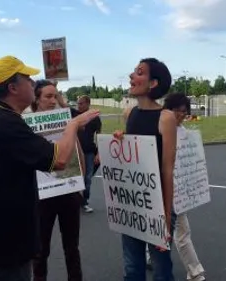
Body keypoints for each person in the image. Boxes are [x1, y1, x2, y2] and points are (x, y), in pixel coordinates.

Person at [0, 55, 99, 281]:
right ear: (12, 87)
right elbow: (59, 160)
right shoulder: (7, 124)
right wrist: (73, 124)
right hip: (5, 241)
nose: (32, 82)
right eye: (27, 78)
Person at [114, 58, 177, 281]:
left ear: (153, 83)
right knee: (132, 269)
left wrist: (167, 217)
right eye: (133, 71)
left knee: (161, 269)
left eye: (139, 72)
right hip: (132, 203)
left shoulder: (166, 118)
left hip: (157, 206)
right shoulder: (129, 113)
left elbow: (167, 169)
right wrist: (120, 140)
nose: (132, 76)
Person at [147, 93, 206, 281]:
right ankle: (195, 272)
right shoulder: (159, 129)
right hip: (161, 189)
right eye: (177, 111)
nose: (181, 115)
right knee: (179, 232)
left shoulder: (185, 133)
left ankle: (193, 270)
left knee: (176, 230)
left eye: (184, 112)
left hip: (179, 191)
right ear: (168, 110)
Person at [30, 79, 84, 281]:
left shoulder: (66, 121)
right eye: (48, 96)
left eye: (56, 95)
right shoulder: (27, 124)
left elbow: (76, 152)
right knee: (40, 248)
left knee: (72, 247)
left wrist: (81, 186)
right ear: (37, 99)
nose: (53, 101)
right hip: (42, 195)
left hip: (68, 191)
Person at [76, 95, 101, 213]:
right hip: (76, 152)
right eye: (78, 103)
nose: (78, 106)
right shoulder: (75, 115)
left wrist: (99, 154)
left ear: (87, 104)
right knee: (75, 177)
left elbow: (99, 136)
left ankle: (85, 202)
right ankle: (76, 201)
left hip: (89, 153)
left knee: (87, 178)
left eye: (81, 103)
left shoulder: (95, 118)